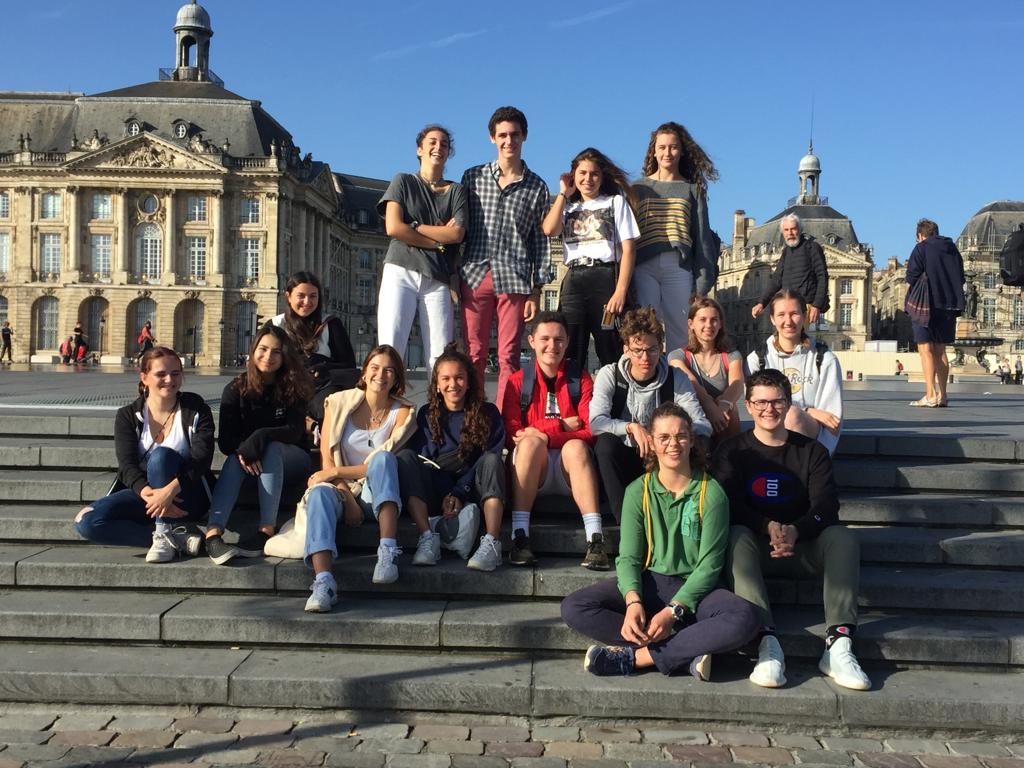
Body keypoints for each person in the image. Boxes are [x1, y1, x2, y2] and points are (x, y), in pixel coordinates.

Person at [561, 402, 759, 680]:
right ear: (651, 443)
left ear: (691, 441)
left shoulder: (711, 493)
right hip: (651, 583)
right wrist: (632, 601)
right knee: (574, 607)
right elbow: (628, 557)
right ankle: (686, 650)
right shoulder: (637, 491)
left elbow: (710, 566)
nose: (673, 444)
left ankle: (639, 657)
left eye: (680, 436)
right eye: (664, 438)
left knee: (744, 618)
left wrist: (673, 612)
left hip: (695, 590)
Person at [715, 369, 871, 691]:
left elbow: (826, 506)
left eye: (776, 402)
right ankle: (766, 641)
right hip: (756, 548)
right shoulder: (732, 451)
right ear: (748, 405)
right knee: (735, 536)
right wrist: (766, 526)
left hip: (803, 546)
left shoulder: (812, 451)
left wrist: (796, 531)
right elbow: (727, 503)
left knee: (842, 537)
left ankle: (839, 643)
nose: (768, 409)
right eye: (760, 402)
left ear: (788, 405)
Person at [272, 345, 417, 612]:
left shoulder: (404, 413)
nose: (381, 375)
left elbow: (372, 465)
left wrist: (337, 472)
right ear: (364, 372)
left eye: (389, 370)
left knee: (384, 460)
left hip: (379, 493)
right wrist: (346, 495)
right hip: (342, 491)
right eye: (375, 368)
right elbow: (327, 460)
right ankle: (324, 582)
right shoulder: (337, 403)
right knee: (317, 493)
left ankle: (386, 552)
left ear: (397, 377)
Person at [74, 346, 214, 562]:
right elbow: (127, 466)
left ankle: (162, 531)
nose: (170, 379)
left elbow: (202, 460)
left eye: (175, 373)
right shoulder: (128, 415)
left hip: (189, 493)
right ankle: (177, 539)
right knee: (86, 521)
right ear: (144, 377)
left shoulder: (195, 408)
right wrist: (152, 495)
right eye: (161, 374)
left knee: (161, 457)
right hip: (147, 494)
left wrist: (168, 492)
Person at [460, 106, 552, 410]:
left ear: (524, 136)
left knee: (509, 356)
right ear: (492, 138)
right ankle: (472, 416)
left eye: (514, 134)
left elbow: (540, 242)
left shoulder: (537, 186)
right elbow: (461, 227)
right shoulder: (472, 177)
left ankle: (504, 419)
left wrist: (536, 290)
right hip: (475, 272)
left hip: (513, 277)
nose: (508, 140)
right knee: (473, 352)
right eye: (502, 135)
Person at [501, 311, 607, 570]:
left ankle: (595, 539)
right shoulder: (517, 382)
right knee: (529, 444)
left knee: (575, 447)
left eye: (559, 340)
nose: (552, 346)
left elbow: (590, 431)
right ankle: (520, 537)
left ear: (568, 342)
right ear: (532, 341)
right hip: (533, 467)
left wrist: (544, 433)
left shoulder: (579, 379)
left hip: (570, 468)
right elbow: (513, 435)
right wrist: (559, 424)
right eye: (545, 339)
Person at [204, 325, 314, 565]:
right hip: (250, 464)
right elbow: (226, 442)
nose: (268, 357)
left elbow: (294, 432)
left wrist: (261, 437)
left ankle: (266, 528)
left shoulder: (292, 387)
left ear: (284, 356)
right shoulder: (235, 389)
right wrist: (247, 452)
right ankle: (213, 533)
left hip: (293, 460)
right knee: (235, 457)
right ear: (253, 351)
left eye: (276, 352)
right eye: (263, 349)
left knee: (271, 447)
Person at [591, 306, 711, 523]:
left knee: (700, 441)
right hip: (625, 455)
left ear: (661, 348)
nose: (645, 357)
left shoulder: (675, 377)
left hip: (663, 455)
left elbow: (701, 423)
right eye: (638, 350)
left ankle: (689, 511)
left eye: (652, 350)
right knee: (605, 444)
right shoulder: (610, 374)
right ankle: (625, 522)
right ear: (626, 349)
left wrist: (668, 437)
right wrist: (630, 427)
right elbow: (596, 422)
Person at [396, 343, 507, 572]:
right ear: (436, 384)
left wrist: (459, 492)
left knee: (492, 462)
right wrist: (449, 493)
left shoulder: (488, 412)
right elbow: (426, 460)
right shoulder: (427, 414)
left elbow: (490, 454)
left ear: (468, 382)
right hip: (438, 487)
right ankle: (427, 537)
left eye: (459, 378)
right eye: (445, 379)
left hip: (474, 486)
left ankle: (492, 541)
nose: (452, 384)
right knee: (407, 457)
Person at [376, 124, 468, 370]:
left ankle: (437, 409)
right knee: (390, 347)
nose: (439, 147)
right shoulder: (403, 181)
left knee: (440, 355)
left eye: (444, 144)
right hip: (400, 270)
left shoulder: (456, 191)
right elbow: (394, 227)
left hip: (437, 277)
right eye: (433, 142)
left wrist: (414, 226)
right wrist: (439, 242)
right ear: (420, 149)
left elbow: (457, 233)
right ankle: (385, 407)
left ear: (449, 153)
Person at [541, 147, 638, 370]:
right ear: (573, 175)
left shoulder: (615, 203)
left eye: (594, 174)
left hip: (605, 278)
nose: (588, 179)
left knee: (610, 345)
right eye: (582, 173)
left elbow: (629, 249)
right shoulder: (568, 206)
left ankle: (615, 400)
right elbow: (549, 229)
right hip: (574, 278)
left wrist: (621, 290)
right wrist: (564, 194)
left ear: (602, 177)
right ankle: (574, 400)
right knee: (571, 347)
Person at [632, 121, 719, 351]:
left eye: (672, 147)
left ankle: (678, 381)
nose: (667, 153)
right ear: (654, 151)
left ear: (681, 150)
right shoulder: (638, 188)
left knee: (680, 331)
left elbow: (702, 239)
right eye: (661, 147)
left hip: (678, 266)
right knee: (647, 327)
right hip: (644, 265)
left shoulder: (692, 190)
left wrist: (702, 284)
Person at [746, 289, 843, 456]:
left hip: (810, 437)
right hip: (769, 430)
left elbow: (832, 422)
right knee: (787, 414)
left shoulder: (825, 359)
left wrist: (821, 458)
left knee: (792, 416)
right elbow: (756, 408)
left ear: (805, 317)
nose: (788, 321)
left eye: (794, 314)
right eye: (781, 315)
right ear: (772, 319)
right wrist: (808, 410)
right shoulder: (756, 359)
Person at [269, 271, 359, 424]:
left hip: (319, 390)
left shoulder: (331, 324)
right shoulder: (276, 325)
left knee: (329, 405)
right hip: (284, 389)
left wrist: (325, 367)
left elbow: (349, 366)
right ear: (288, 297)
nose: (307, 301)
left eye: (313, 296)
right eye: (301, 296)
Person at [668, 296, 745, 448]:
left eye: (714, 320)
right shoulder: (677, 356)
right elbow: (692, 384)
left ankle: (728, 461)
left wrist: (722, 407)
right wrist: (710, 406)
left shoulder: (732, 356)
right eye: (702, 319)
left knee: (731, 410)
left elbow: (737, 385)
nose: (709, 325)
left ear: (721, 324)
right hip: (692, 415)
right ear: (691, 324)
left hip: (723, 420)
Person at [906, 218, 965, 407]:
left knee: (925, 349)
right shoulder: (953, 249)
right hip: (949, 305)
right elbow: (961, 277)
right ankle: (944, 395)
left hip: (926, 304)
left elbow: (911, 276)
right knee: (941, 350)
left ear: (921, 235)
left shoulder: (921, 248)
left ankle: (930, 394)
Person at [751, 214, 830, 324]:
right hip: (787, 305)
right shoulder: (786, 252)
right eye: (786, 230)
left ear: (800, 230)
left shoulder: (812, 247)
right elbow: (776, 280)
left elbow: (822, 277)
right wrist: (761, 303)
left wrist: (817, 305)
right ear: (783, 233)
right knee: (780, 340)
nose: (790, 233)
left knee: (797, 339)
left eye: (793, 229)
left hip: (805, 306)